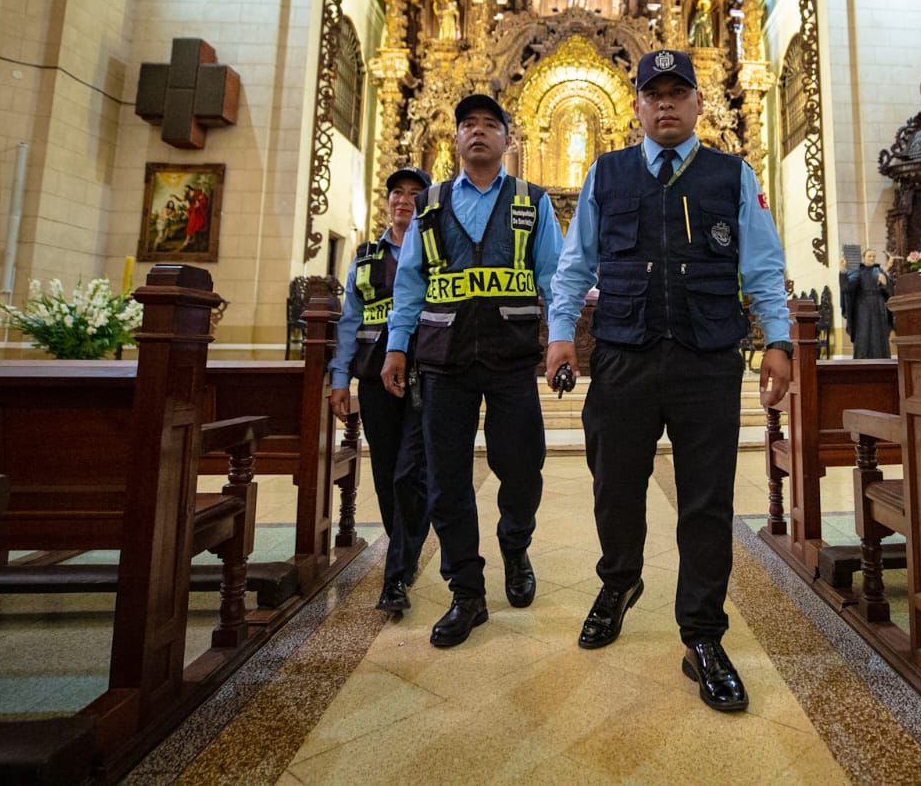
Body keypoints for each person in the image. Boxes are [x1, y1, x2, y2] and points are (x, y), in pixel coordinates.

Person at [546, 48, 792, 713]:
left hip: (706, 358)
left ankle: (703, 635)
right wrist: (561, 332)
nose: (664, 103)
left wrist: (778, 339)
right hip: (624, 356)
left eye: (676, 92)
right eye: (652, 93)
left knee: (707, 501)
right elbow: (574, 265)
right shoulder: (607, 172)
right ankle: (620, 580)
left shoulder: (733, 175)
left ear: (697, 103)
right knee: (614, 484)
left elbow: (765, 266)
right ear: (635, 106)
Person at [382, 94, 563, 648]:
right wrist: (396, 347)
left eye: (490, 125)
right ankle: (467, 591)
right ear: (456, 140)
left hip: (510, 361)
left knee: (523, 468)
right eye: (468, 125)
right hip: (444, 362)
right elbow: (411, 281)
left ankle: (515, 542)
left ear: (508, 141)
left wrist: (560, 339)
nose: (478, 133)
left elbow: (554, 277)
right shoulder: (431, 205)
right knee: (445, 484)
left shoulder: (533, 203)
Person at [328, 166, 431, 613]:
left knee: (412, 472)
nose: (404, 200)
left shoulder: (436, 250)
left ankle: (395, 573)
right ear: (387, 201)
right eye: (397, 193)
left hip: (425, 376)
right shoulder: (366, 256)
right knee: (387, 473)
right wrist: (338, 379)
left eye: (414, 194)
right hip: (374, 378)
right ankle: (402, 555)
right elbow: (350, 321)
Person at [841, 248, 891, 359]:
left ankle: (881, 358)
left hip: (879, 305)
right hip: (863, 307)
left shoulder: (880, 271)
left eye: (874, 256)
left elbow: (889, 292)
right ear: (864, 258)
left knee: (879, 333)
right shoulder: (859, 271)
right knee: (864, 332)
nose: (872, 258)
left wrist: (885, 283)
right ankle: (863, 358)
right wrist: (843, 270)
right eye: (869, 256)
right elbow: (847, 287)